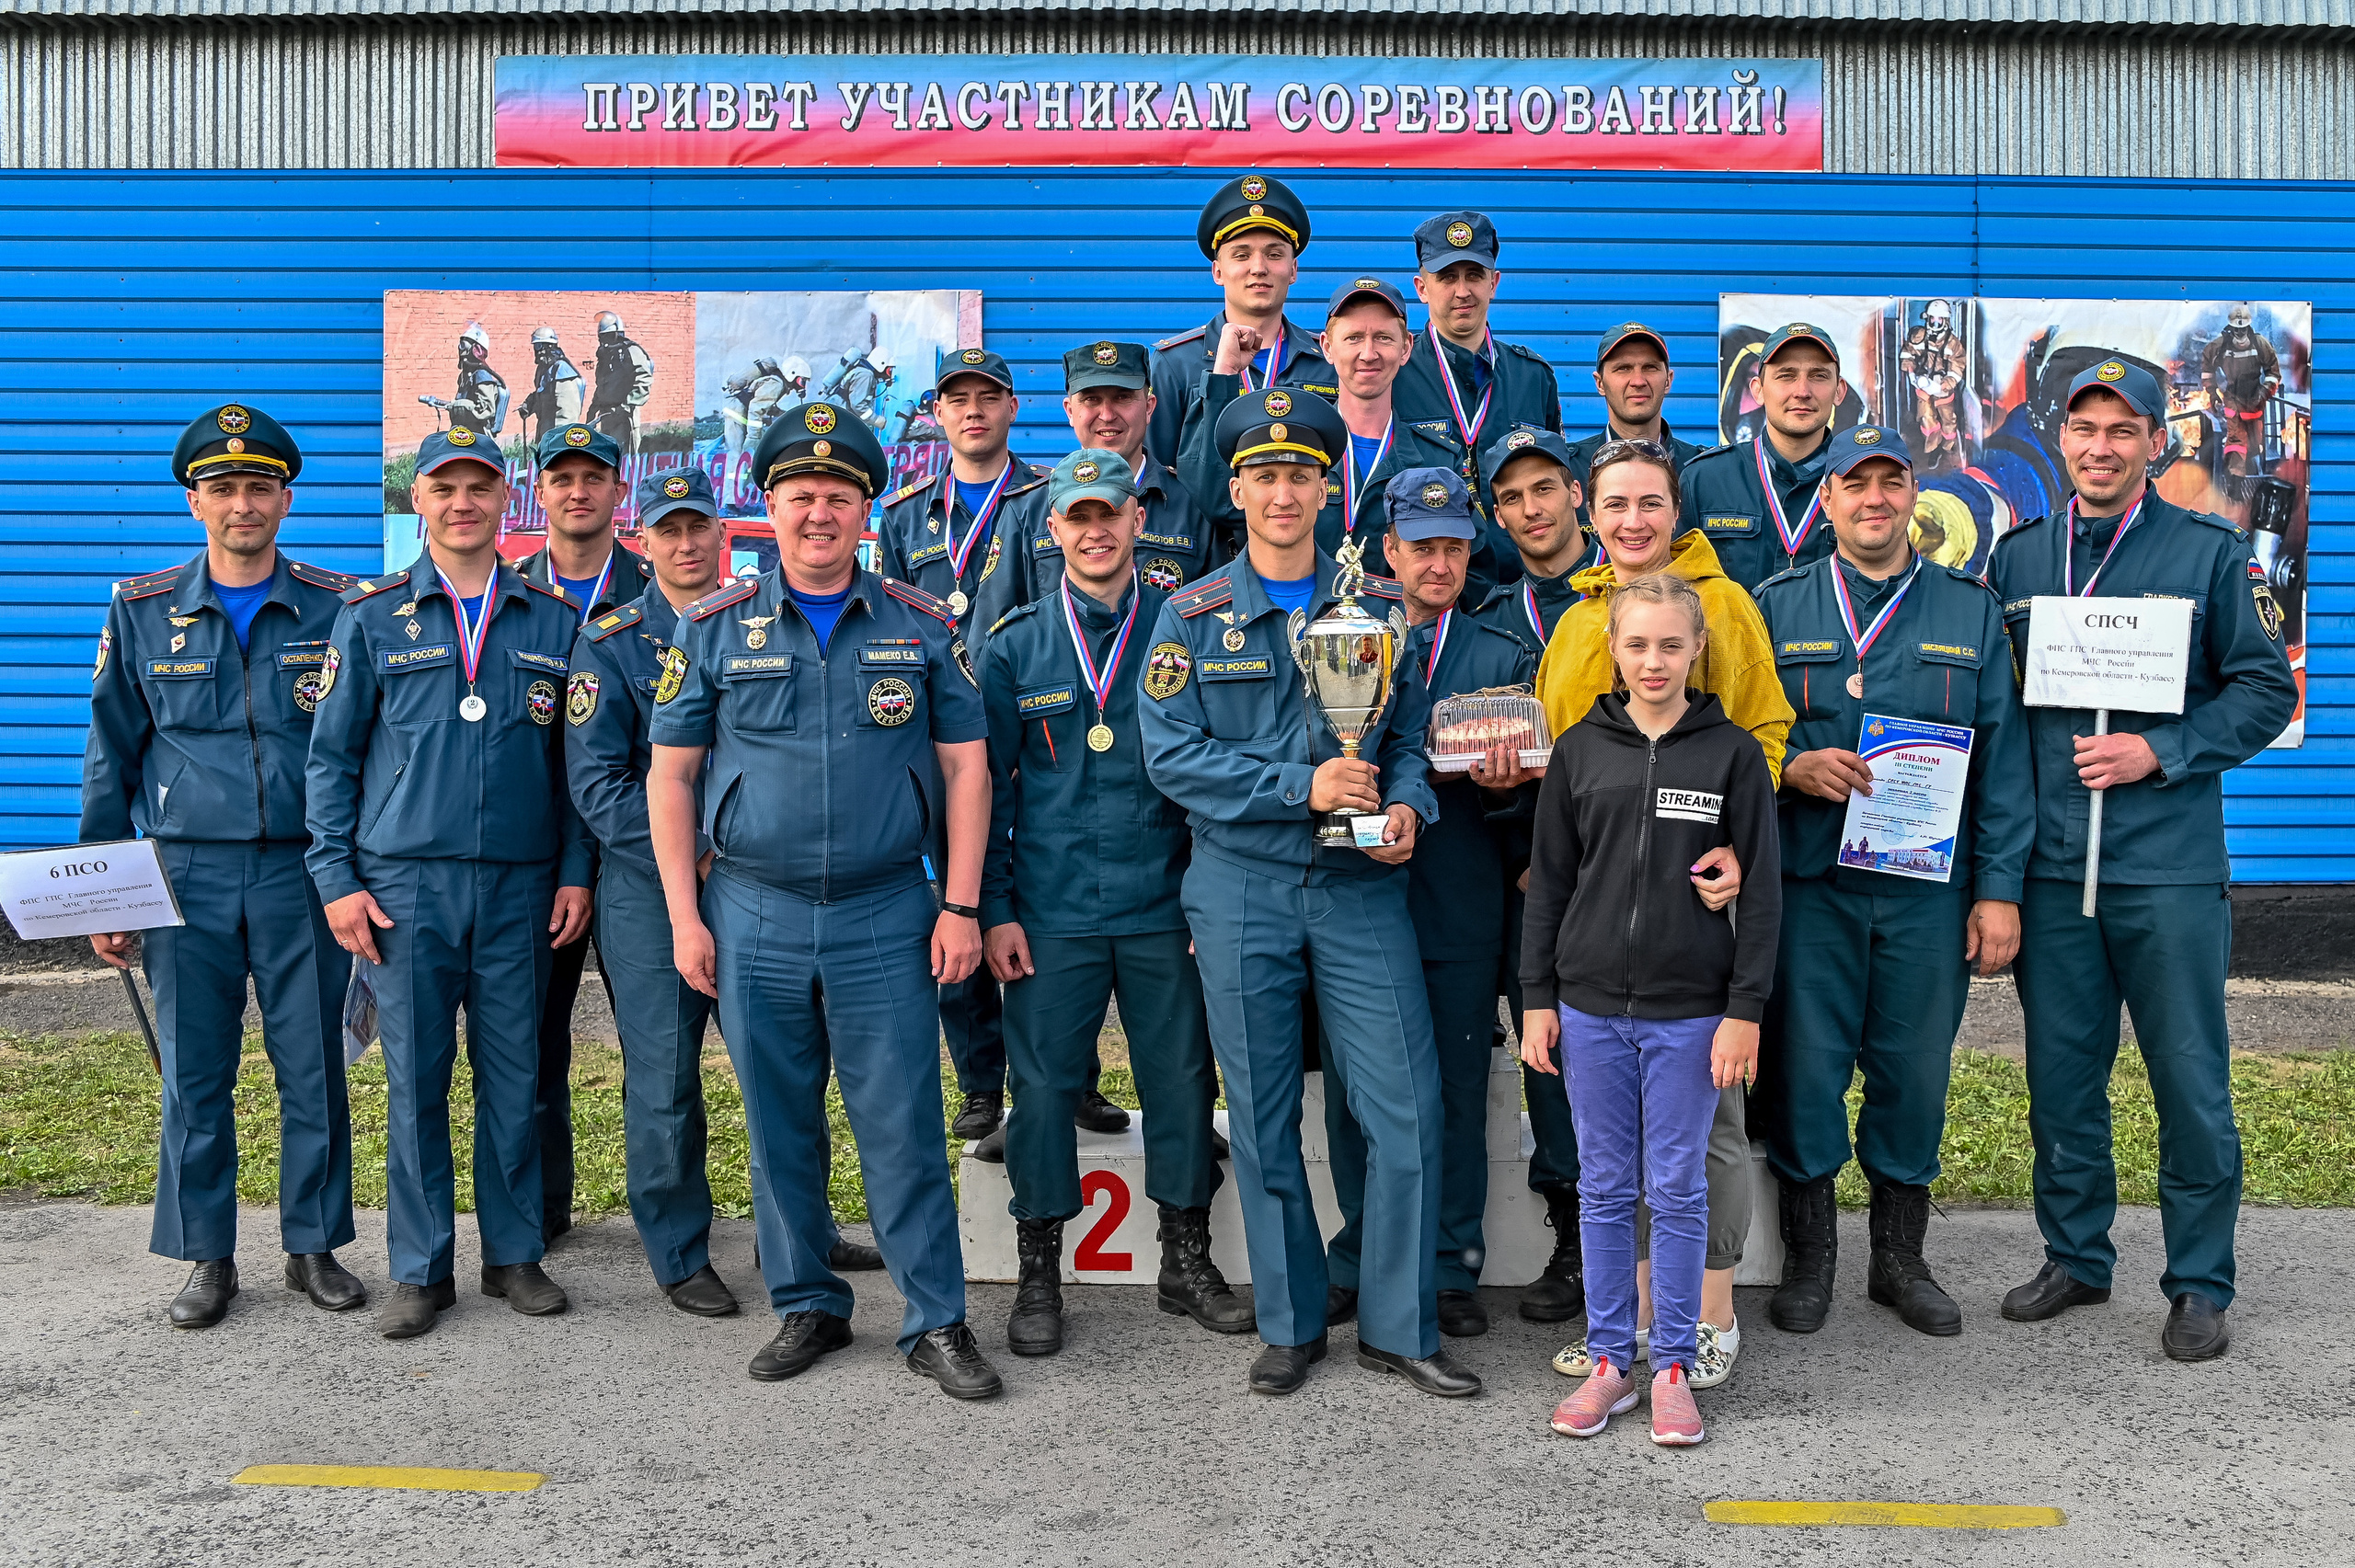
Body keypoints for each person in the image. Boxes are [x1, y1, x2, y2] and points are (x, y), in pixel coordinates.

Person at [646, 402, 1004, 1399]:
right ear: (769, 507)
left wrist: (961, 905)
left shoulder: (920, 623)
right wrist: (684, 916)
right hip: (752, 909)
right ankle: (808, 1302)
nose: (819, 513)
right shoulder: (713, 627)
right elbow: (670, 778)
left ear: (865, 509)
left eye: (838, 497)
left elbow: (967, 768)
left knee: (903, 1121)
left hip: (886, 910)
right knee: (777, 1119)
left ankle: (936, 1319)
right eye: (800, 495)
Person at [1140, 385, 1472, 1400]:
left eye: (1301, 475)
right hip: (1240, 887)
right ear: (1237, 490)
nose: (1283, 493)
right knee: (1265, 1114)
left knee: (1406, 1110)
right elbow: (1171, 756)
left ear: (1328, 491)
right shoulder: (1192, 615)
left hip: (1360, 888)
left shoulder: (1376, 609)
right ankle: (1289, 1323)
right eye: (1265, 475)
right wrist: (1301, 786)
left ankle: (1401, 1325)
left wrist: (1408, 802)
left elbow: (1406, 736)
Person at [1986, 358, 2296, 1362]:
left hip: (2165, 869)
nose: (2102, 447)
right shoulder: (2020, 559)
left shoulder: (2207, 553)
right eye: (2086, 429)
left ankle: (2200, 1279)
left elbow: (2264, 691)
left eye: (2124, 430)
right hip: (2052, 870)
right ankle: (2076, 1255)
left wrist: (2159, 751)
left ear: (2156, 443)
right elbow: (1997, 711)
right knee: (2059, 1080)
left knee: (2189, 1079)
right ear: (2061, 438)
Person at [304, 427, 593, 1341]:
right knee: (416, 1080)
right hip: (404, 889)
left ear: (505, 499)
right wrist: (336, 878)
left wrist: (575, 871)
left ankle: (513, 1254)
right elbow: (331, 761)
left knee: (515, 1076)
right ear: (418, 500)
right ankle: (420, 1267)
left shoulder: (551, 620)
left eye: (479, 486)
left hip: (520, 886)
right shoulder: (370, 617)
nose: (463, 502)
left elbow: (575, 767)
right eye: (445, 486)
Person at [81, 404, 362, 1330]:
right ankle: (207, 1254)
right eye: (224, 488)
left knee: (313, 1066)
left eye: (259, 487)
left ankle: (312, 1245)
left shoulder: (337, 608)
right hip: (184, 875)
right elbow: (112, 753)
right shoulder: (142, 609)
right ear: (194, 502)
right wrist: (107, 888)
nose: (243, 504)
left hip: (302, 872)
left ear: (286, 500)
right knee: (195, 1072)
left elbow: (363, 747)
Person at [1752, 425, 2032, 1338]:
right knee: (1804, 1068)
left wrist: (1998, 891)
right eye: (1856, 483)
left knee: (1913, 1072)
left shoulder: (1969, 610)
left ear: (1914, 494)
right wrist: (1791, 765)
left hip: (1925, 891)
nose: (1875, 499)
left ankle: (1899, 1258)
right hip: (1811, 884)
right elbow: (1735, 732)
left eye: (1891, 482)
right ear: (1827, 499)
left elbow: (2004, 765)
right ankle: (1811, 1255)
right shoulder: (1776, 604)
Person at [978, 448, 1251, 1356]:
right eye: (1079, 516)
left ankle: (1185, 1258)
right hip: (1050, 911)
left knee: (1181, 1081)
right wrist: (995, 908)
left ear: (1138, 520)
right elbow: (990, 791)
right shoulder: (1015, 644)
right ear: (1052, 527)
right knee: (1042, 1089)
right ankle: (1039, 1270)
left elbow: (1212, 772)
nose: (1096, 531)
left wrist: (1208, 898)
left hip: (1163, 903)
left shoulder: (1184, 629)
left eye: (1111, 513)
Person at [1532, 441, 1781, 1388]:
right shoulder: (1575, 622)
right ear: (1588, 513)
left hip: (1692, 923)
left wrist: (1737, 849)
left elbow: (1759, 735)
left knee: (1704, 1133)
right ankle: (1633, 1318)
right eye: (1615, 504)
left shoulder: (1723, 606)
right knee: (1615, 1149)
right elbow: (1566, 755)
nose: (1632, 520)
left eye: (1650, 502)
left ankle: (1709, 1312)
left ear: (1678, 511)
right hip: (1598, 931)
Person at [1323, 467, 1536, 1342]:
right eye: (1422, 547)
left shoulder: (1501, 652)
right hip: (1357, 894)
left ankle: (1449, 1263)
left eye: (1454, 547)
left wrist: (1506, 783)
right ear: (1390, 549)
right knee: (1355, 1090)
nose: (1439, 563)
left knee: (1453, 1085)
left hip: (1458, 897)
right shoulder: (1343, 638)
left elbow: (1530, 795)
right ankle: (1360, 1253)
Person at [562, 466, 739, 1316]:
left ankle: (802, 1232)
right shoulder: (610, 643)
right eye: (669, 530)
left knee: (784, 1066)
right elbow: (596, 786)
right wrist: (693, 854)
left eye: (699, 526)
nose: (686, 543)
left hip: (757, 886)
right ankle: (678, 1251)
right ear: (644, 542)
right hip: (646, 892)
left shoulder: (759, 622)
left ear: (723, 533)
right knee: (664, 1076)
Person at [876, 349, 1051, 1145]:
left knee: (1045, 911)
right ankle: (981, 1081)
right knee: (957, 900)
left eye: (989, 396)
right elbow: (886, 628)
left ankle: (1066, 1072)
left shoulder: (1047, 499)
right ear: (938, 413)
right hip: (943, 743)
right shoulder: (905, 516)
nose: (973, 410)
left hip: (1032, 732)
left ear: (1013, 406)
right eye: (958, 398)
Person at [511, 422, 655, 1239]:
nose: (577, 491)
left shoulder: (660, 584)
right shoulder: (508, 595)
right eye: (561, 477)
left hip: (645, 853)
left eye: (593, 476)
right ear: (539, 491)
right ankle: (541, 1213)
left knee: (662, 1051)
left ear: (617, 489)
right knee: (534, 1041)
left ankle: (673, 1217)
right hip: (542, 859)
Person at [1468, 424, 1597, 1322]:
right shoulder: (1492, 620)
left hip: (1614, 877)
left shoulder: (1629, 599)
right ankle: (1572, 1232)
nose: (1530, 508)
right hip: (1520, 878)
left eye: (1543, 487)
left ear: (1576, 493)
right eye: (1510, 497)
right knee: (1546, 1053)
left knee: (1599, 1054)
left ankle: (1631, 1231)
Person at [1183, 278, 1493, 594]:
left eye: (1383, 338)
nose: (1368, 353)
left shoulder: (1439, 458)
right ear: (1327, 348)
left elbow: (1476, 564)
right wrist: (1225, 375)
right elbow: (1218, 502)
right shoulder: (1293, 446)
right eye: (1354, 338)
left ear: (1406, 349)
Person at [1148, 173, 1338, 471]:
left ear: (1293, 270)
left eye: (1274, 254)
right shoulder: (1175, 365)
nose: (1259, 268)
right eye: (1241, 255)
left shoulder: (1329, 361)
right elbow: (1156, 478)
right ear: (1217, 272)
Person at [1391, 211, 1562, 503]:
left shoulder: (1533, 376)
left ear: (1493, 283)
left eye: (1474, 275)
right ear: (1421, 288)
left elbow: (1555, 477)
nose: (1462, 292)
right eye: (1447, 277)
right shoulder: (1395, 373)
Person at [1679, 323, 1849, 593]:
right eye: (1786, 375)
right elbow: (1675, 591)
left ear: (1839, 390)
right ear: (1757, 389)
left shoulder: (1859, 484)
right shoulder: (1704, 480)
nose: (1802, 391)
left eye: (1818, 375)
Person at [1564, 324, 1705, 529]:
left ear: (1668, 380)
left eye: (1650, 367)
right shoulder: (1568, 470)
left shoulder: (1701, 471)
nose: (1638, 381)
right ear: (1600, 383)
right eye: (1623, 368)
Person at [588, 311, 654, 457]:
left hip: (625, 417)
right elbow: (602, 385)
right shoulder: (606, 356)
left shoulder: (631, 351)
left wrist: (626, 405)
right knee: (608, 458)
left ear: (618, 333)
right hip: (607, 416)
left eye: (610, 336)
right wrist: (593, 408)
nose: (606, 341)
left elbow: (644, 380)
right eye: (603, 337)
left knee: (626, 459)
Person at [523, 326, 585, 450]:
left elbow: (567, 413)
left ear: (548, 346)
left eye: (539, 346)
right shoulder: (544, 369)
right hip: (546, 435)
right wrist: (529, 404)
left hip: (559, 440)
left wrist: (559, 441)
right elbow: (542, 394)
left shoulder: (562, 370)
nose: (536, 351)